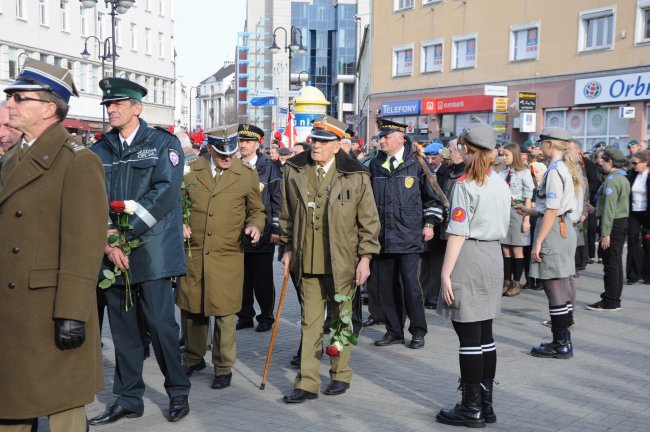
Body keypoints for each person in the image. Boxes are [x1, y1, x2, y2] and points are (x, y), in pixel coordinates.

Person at [0, 59, 107, 432]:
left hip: (51, 311)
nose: (9, 104)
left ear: (49, 108)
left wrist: (73, 314)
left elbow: (84, 246)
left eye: (19, 97)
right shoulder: (14, 157)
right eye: (9, 96)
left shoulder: (77, 162)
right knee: (11, 407)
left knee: (64, 413)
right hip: (15, 310)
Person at [89, 78, 190, 425]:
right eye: (108, 105)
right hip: (114, 257)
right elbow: (89, 198)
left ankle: (178, 391)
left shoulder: (163, 144)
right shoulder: (98, 151)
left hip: (153, 253)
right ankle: (129, 398)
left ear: (137, 107)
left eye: (118, 104)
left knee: (162, 328)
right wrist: (107, 238)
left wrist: (123, 234)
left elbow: (164, 194)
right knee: (124, 333)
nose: (111, 110)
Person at [279, 115, 380, 403]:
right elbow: (286, 214)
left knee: (340, 321)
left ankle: (339, 373)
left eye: (324, 141)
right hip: (305, 260)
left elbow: (369, 221)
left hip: (343, 262)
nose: (316, 146)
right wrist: (286, 248)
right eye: (314, 140)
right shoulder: (295, 170)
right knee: (309, 322)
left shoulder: (356, 174)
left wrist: (366, 258)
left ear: (338, 145)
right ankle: (307, 382)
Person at [177, 124, 265, 389]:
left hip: (228, 254)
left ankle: (223, 366)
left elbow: (257, 210)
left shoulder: (246, 174)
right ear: (209, 148)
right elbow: (174, 203)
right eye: (221, 153)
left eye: (232, 152)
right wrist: (178, 222)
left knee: (226, 312)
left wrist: (255, 226)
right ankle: (192, 358)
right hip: (194, 252)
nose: (227, 158)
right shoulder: (191, 170)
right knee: (192, 309)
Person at [435, 123, 510, 428]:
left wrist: (445, 273)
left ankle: (471, 408)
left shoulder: (465, 185)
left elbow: (457, 232)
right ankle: (486, 404)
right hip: (493, 255)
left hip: (469, 255)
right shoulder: (499, 183)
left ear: (466, 149)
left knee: (468, 336)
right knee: (485, 335)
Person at [369, 118, 443, 349]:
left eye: (386, 137)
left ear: (401, 138)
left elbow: (433, 199)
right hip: (382, 235)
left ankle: (418, 330)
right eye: (380, 137)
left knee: (410, 285)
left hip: (408, 235)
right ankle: (394, 331)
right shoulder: (374, 164)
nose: (381, 140)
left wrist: (429, 224)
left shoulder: (418, 164)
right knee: (386, 287)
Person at [516, 127, 582, 360]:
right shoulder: (567, 167)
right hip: (564, 228)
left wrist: (538, 243)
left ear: (550, 145)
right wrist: (531, 210)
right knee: (561, 287)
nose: (539, 148)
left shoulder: (554, 170)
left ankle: (560, 343)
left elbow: (553, 210)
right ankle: (563, 340)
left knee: (553, 288)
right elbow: (553, 207)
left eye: (541, 144)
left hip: (554, 230)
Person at [236, 123, 282, 332]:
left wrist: (275, 229)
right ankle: (244, 315)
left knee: (262, 279)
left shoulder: (269, 167)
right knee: (241, 279)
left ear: (258, 143)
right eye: (241, 141)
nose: (243, 145)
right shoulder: (234, 165)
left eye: (247, 141)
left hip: (263, 233)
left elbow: (277, 200)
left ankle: (266, 316)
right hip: (238, 233)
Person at [587, 147, 629, 311]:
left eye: (602, 160)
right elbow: (616, 205)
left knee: (611, 264)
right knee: (615, 262)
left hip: (612, 225)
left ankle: (610, 301)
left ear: (610, 162)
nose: (600, 163)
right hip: (620, 222)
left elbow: (611, 209)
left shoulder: (612, 180)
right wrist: (596, 209)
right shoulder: (622, 178)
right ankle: (614, 298)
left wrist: (605, 234)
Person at [499, 143, 534, 297]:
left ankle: (516, 282)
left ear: (514, 155)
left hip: (518, 211)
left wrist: (526, 220)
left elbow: (528, 197)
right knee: (505, 248)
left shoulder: (524, 172)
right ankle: (506, 281)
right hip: (504, 212)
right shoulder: (502, 172)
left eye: (507, 155)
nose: (504, 158)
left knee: (517, 248)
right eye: (503, 155)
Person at [420, 141, 450, 309]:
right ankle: (422, 295)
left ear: (441, 156)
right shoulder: (423, 170)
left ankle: (433, 297)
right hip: (426, 220)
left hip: (441, 223)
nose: (430, 161)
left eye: (434, 158)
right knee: (423, 263)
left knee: (437, 263)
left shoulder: (447, 173)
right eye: (428, 157)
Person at [625, 150, 650, 284]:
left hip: (647, 214)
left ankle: (647, 275)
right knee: (632, 242)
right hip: (633, 212)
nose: (633, 165)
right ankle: (633, 275)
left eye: (635, 163)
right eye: (632, 162)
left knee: (647, 243)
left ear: (645, 163)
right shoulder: (631, 174)